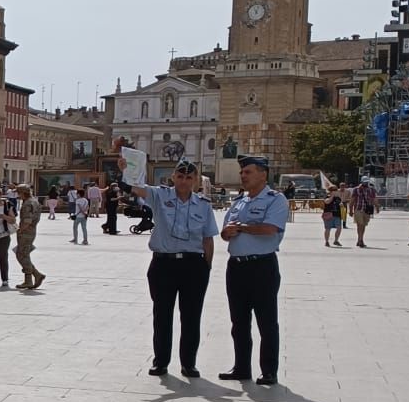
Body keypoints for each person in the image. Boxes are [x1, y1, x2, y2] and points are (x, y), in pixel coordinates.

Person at [123, 157, 220, 378]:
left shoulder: (203, 205)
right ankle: (161, 361)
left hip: (193, 265)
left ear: (196, 180)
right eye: (180, 176)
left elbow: (208, 238)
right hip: (163, 263)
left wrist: (207, 267)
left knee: (191, 316)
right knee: (162, 314)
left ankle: (189, 363)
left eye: (189, 177)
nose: (184, 181)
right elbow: (135, 188)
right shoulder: (160, 196)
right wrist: (127, 170)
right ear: (173, 178)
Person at [219, 155, 289, 386]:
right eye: (242, 172)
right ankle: (241, 367)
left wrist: (242, 228)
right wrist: (227, 232)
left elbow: (270, 228)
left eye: (247, 172)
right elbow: (225, 231)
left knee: (266, 321)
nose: (243, 176)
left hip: (262, 266)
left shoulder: (275, 200)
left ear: (263, 174)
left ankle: (269, 370)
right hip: (236, 267)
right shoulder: (239, 201)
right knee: (238, 321)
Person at [14, 186, 46, 289]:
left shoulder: (28, 203)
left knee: (21, 255)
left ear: (23, 193)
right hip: (31, 231)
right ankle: (28, 281)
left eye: (18, 193)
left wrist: (20, 230)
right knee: (25, 255)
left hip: (26, 232)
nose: (17, 195)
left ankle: (37, 275)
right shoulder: (34, 201)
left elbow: (27, 220)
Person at [351, 178, 377, 248]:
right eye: (364, 182)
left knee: (363, 225)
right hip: (358, 209)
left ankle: (360, 239)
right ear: (361, 182)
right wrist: (350, 210)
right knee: (360, 224)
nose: (365, 184)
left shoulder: (371, 190)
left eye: (367, 182)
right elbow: (352, 200)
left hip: (367, 210)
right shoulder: (356, 189)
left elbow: (374, 199)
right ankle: (360, 240)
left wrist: (377, 207)